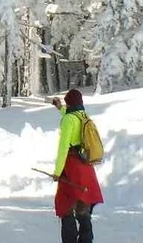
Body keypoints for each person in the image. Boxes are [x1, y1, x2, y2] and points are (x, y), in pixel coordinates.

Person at [51, 89, 104, 243]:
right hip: (86, 167)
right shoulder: (83, 115)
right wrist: (60, 108)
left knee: (65, 206)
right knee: (83, 206)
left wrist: (57, 172)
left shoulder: (68, 119)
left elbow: (63, 148)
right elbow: (70, 117)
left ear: (69, 103)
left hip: (71, 167)